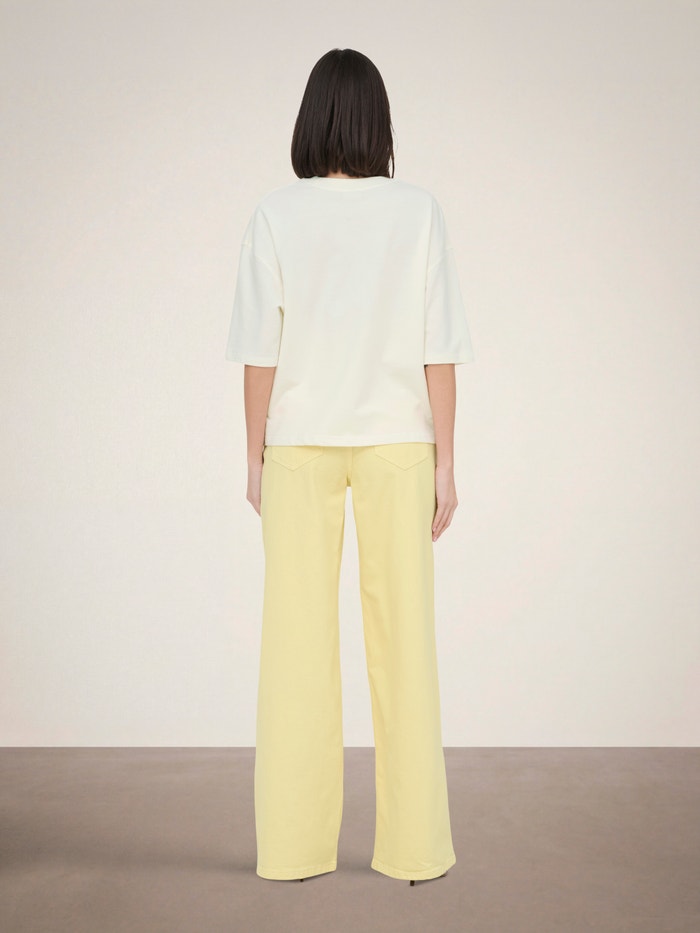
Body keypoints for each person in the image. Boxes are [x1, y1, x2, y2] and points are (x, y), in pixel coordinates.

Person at [225, 48, 475, 886]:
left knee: (293, 647)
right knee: (407, 644)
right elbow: (439, 348)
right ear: (378, 122)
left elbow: (260, 351)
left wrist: (254, 455)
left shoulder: (275, 213)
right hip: (401, 445)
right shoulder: (418, 212)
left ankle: (292, 850)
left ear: (311, 119)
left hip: (298, 446)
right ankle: (415, 847)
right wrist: (447, 462)